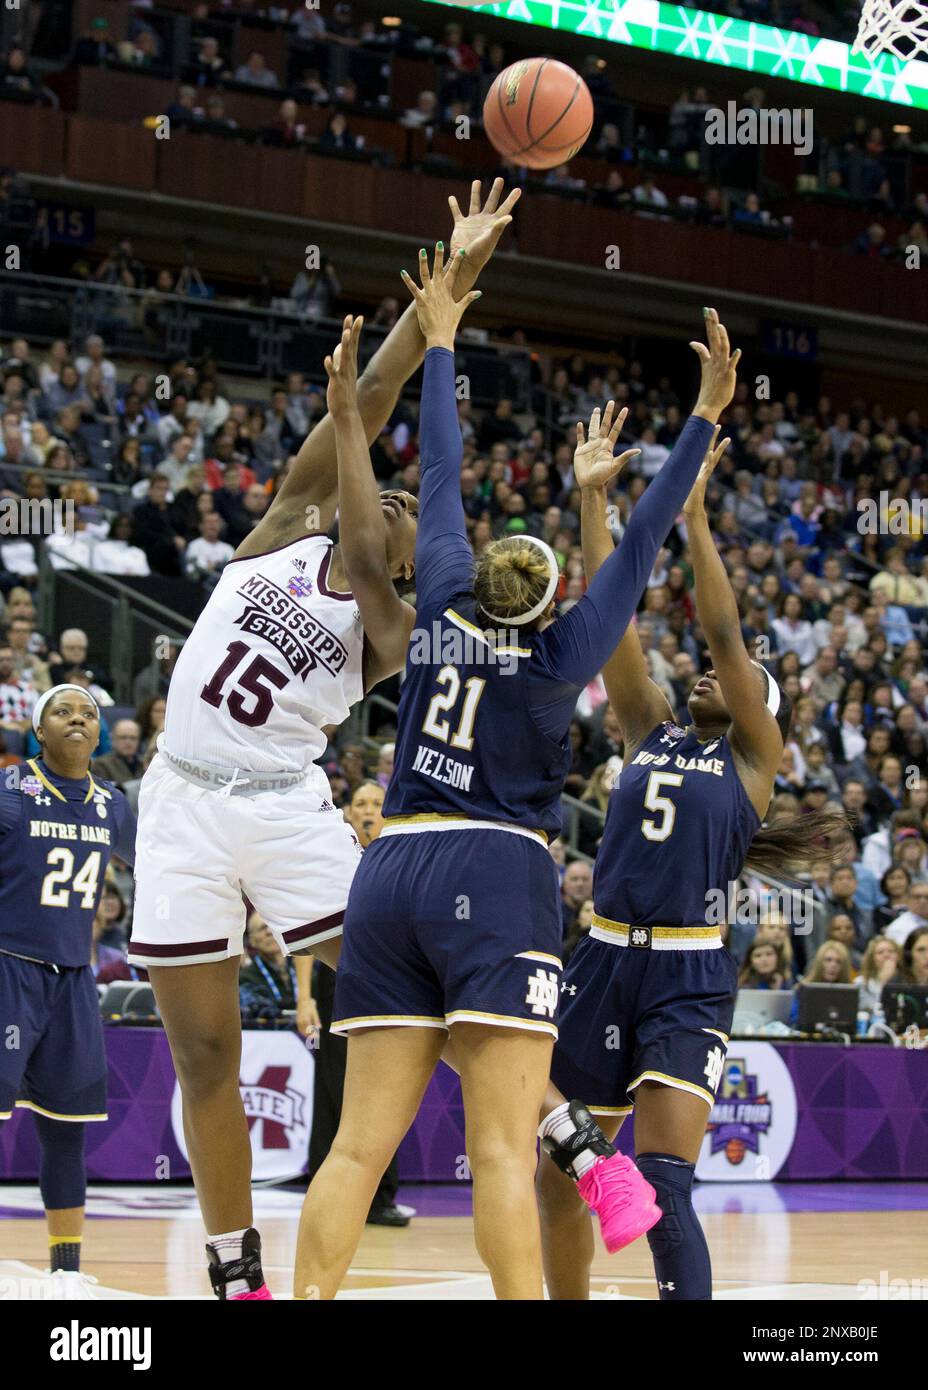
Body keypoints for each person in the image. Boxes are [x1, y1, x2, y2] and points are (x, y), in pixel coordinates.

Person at [292, 272, 731, 1302]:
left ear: (480, 574)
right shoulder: (553, 668)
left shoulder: (439, 596)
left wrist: (442, 337)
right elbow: (640, 542)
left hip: (392, 865)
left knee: (355, 1146)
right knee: (498, 1149)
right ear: (546, 610)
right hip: (494, 874)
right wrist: (703, 417)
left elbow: (440, 474)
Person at [126, 181, 522, 1301]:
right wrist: (456, 270)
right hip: (180, 803)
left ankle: (558, 1134)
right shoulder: (285, 528)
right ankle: (233, 1269)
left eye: (406, 504)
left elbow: (384, 479)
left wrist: (375, 462)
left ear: (409, 555)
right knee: (203, 1054)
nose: (392, 494)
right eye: (380, 486)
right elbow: (382, 379)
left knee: (419, 987)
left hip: (286, 809)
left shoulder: (393, 628)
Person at [536, 404, 847, 1302]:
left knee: (666, 1191)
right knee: (556, 1175)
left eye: (743, 677)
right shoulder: (649, 727)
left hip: (684, 974)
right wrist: (593, 503)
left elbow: (721, 635)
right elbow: (610, 616)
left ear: (764, 709)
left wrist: (699, 520)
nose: (715, 672)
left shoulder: (753, 758)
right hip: (599, 956)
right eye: (715, 673)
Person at [0, 686, 135, 1293]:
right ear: (38, 728)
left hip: (74, 979)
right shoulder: (8, 792)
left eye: (88, 714)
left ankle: (67, 1273)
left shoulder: (112, 803)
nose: (78, 719)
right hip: (8, 970)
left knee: (67, 1125)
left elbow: (154, 861)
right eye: (64, 712)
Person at [301, 779, 413, 1227]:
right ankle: (327, 1193)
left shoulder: (404, 857)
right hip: (335, 980)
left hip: (392, 985)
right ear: (347, 813)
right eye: (360, 803)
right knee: (332, 1092)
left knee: (387, 1091)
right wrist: (304, 996)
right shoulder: (333, 860)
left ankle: (381, 1198)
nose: (367, 810)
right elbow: (307, 936)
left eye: (375, 804)